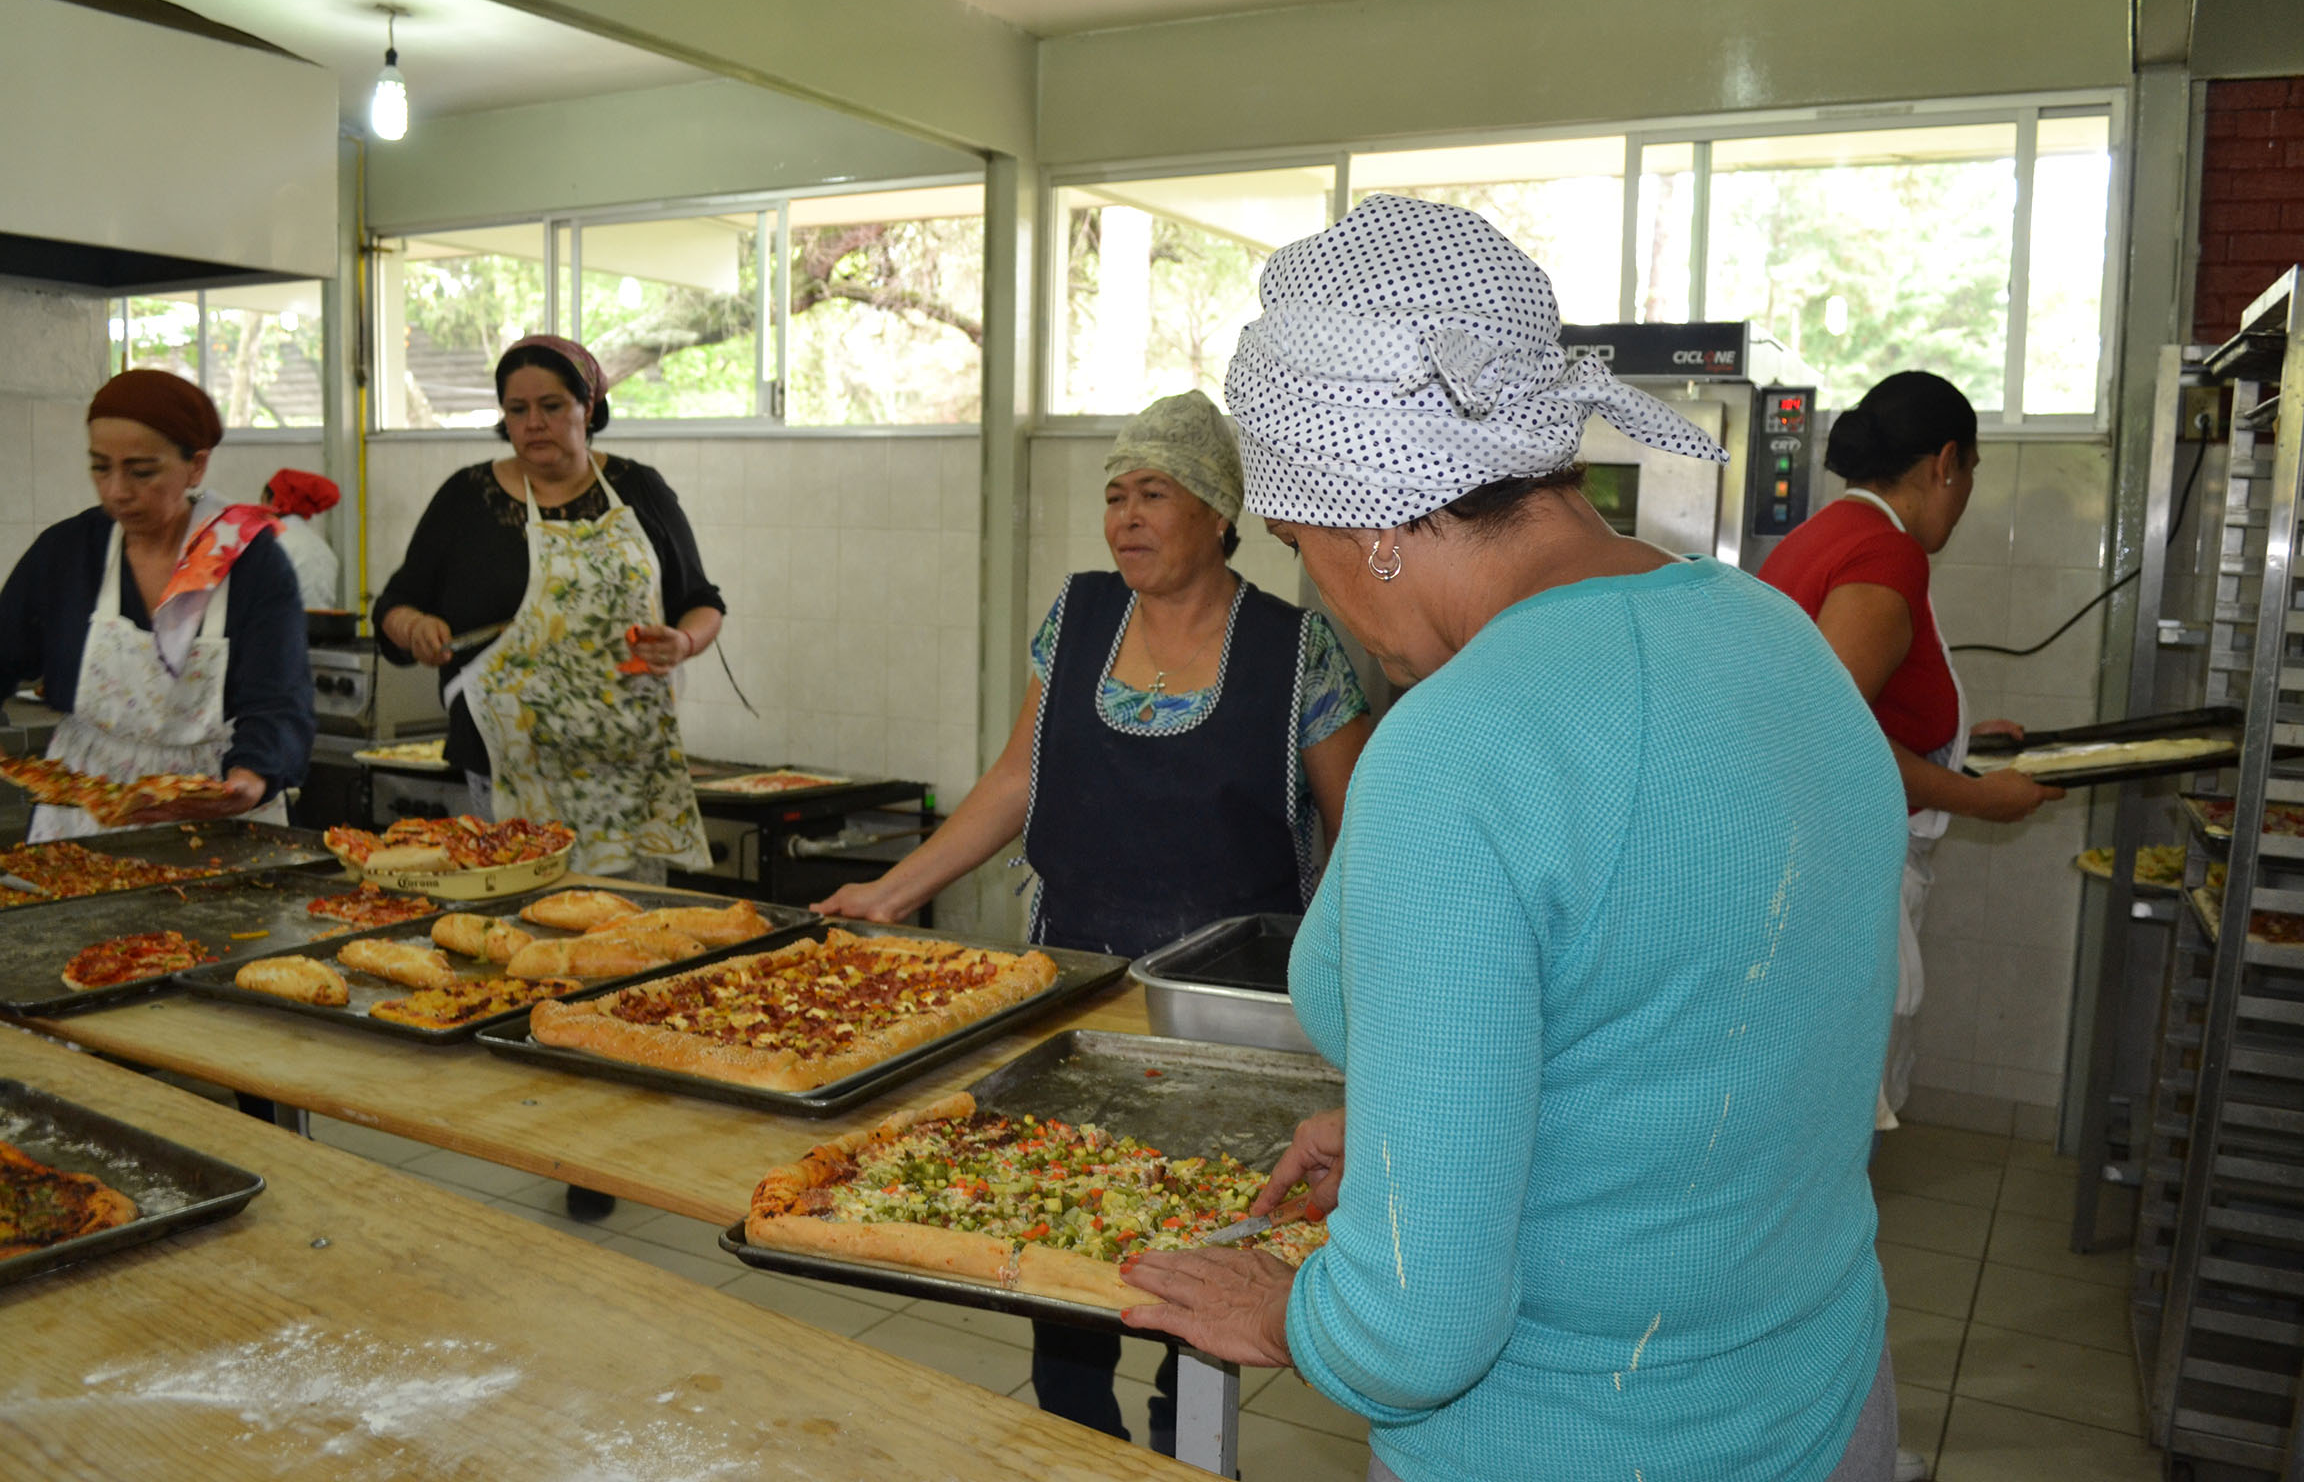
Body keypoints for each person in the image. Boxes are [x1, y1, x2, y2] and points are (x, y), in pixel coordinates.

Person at [1119, 196, 1908, 1482]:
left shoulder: (1459, 748)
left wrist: (1305, 1313)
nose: (1311, 575)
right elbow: (1693, 1033)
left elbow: (1417, 1335)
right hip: (1813, 1404)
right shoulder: (1775, 638)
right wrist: (1412, 1125)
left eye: (1296, 536)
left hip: (1579, 1441)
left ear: (1365, 517)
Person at [815, 387, 1372, 1452]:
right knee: (1053, 1211)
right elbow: (1015, 778)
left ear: (1218, 510)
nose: (1125, 517)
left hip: (1230, 1021)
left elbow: (1362, 829)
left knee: (1204, 1233)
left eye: (1152, 493)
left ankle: (1183, 1441)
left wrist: (1343, 982)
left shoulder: (1300, 651)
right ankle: (1070, 1441)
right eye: (1114, 496)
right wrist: (892, 890)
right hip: (1072, 990)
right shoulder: (1075, 623)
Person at [1756, 371, 2063, 1131]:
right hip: (1850, 866)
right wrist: (1982, 798)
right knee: (1841, 1111)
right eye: (1970, 477)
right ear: (1946, 462)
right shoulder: (1884, 554)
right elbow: (1833, 733)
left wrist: (1958, 740)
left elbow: (1848, 699)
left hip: (1810, 856)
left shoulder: (1824, 535)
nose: (1963, 498)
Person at [374, 335, 720, 883]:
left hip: (627, 766)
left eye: (552, 406)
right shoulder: (467, 499)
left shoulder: (639, 490)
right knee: (516, 922)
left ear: (588, 407)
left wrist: (683, 642)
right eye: (518, 410)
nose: (533, 422)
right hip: (507, 766)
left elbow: (701, 603)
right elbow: (395, 605)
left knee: (626, 931)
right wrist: (414, 626)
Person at [0, 369, 313, 838]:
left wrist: (250, 778)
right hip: (84, 805)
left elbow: (279, 697)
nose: (117, 491)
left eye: (142, 471)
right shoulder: (69, 553)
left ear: (196, 466)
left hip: (213, 805)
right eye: (100, 467)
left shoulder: (247, 560)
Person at [263, 467, 342, 610]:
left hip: (283, 629)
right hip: (322, 630)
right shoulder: (324, 549)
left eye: (262, 501)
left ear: (273, 500)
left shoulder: (275, 544)